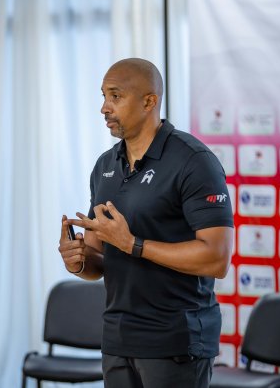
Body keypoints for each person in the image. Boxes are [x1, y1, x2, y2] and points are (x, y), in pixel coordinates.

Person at [57, 58, 234, 388]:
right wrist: (78, 261)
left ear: (149, 101)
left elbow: (216, 259)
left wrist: (133, 244)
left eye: (115, 96)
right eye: (103, 96)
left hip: (176, 342)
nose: (104, 108)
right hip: (117, 340)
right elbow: (99, 259)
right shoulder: (105, 166)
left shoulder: (194, 161)